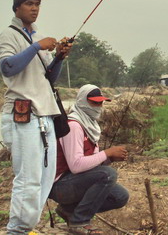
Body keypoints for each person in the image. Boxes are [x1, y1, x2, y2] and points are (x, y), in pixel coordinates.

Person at [0, 0, 72, 234]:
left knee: (44, 177)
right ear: (17, 7)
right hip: (23, 115)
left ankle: (27, 226)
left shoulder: (33, 38)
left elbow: (49, 78)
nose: (35, 8)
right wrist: (37, 47)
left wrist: (59, 56)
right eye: (29, 3)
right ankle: (16, 230)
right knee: (27, 178)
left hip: (44, 114)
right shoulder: (9, 36)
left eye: (38, 3)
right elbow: (8, 67)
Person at [49, 84, 130, 235]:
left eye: (100, 102)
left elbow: (91, 162)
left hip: (74, 181)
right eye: (94, 102)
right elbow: (76, 165)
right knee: (107, 174)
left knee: (120, 197)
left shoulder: (89, 125)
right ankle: (79, 222)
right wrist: (107, 153)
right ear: (81, 102)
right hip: (60, 186)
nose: (99, 106)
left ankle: (69, 210)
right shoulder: (73, 126)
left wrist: (110, 159)